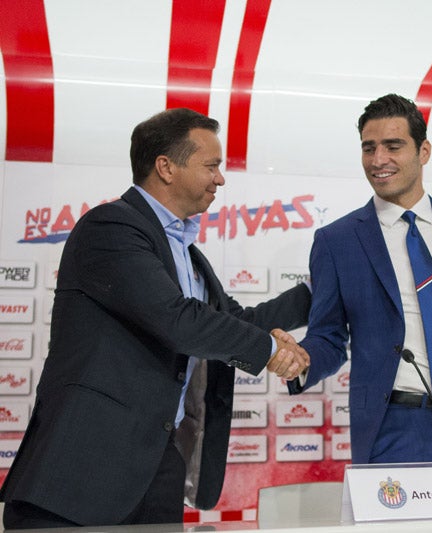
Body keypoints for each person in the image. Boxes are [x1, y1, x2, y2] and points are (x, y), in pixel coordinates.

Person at [0, 108, 312, 528]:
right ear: (166, 167)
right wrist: (271, 351)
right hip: (82, 471)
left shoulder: (187, 252)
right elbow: (178, 321)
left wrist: (320, 290)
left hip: (159, 462)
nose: (220, 179)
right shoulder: (111, 227)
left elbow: (236, 320)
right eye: (211, 165)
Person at [276, 94, 432, 464]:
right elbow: (329, 336)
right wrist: (303, 360)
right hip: (395, 426)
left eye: (393, 146)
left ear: (424, 151)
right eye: (368, 148)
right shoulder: (337, 241)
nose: (378, 160)